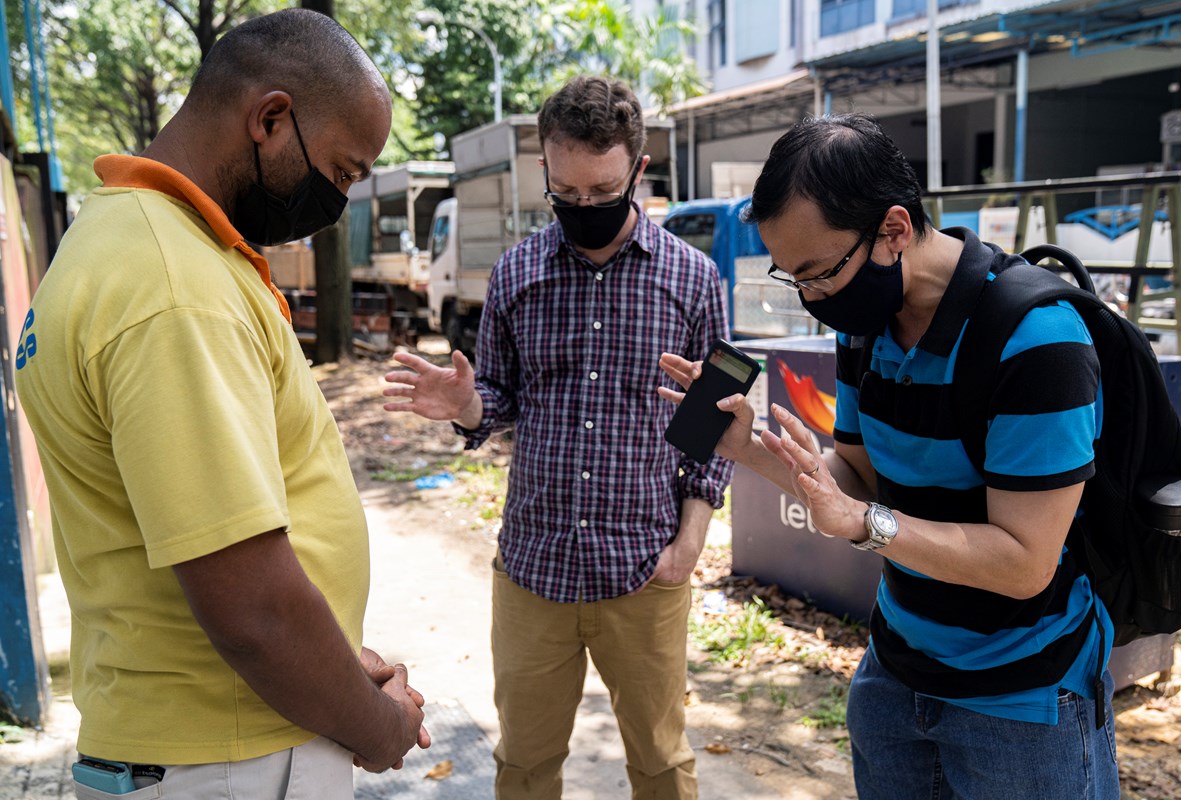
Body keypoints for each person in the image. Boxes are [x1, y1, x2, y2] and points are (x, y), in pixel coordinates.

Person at [15, 10, 429, 798]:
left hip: (211, 744)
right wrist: (379, 729)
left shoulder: (126, 241)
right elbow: (254, 612)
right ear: (271, 119)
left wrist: (336, 661)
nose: (336, 199)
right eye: (342, 172)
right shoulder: (173, 288)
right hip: (228, 760)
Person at [659, 113, 1119, 799]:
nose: (813, 299)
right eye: (794, 279)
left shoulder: (1037, 340)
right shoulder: (867, 324)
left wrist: (870, 526)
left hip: (1021, 700)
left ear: (894, 231)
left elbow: (1023, 563)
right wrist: (746, 448)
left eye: (817, 273)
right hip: (895, 673)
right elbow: (854, 483)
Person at [383, 75, 732, 799]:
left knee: (663, 765)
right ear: (546, 168)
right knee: (524, 766)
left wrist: (689, 543)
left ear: (638, 170)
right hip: (534, 568)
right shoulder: (515, 275)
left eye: (603, 194)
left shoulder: (696, 281)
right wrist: (467, 405)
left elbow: (714, 429)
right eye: (565, 194)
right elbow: (500, 401)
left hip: (644, 566)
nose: (584, 209)